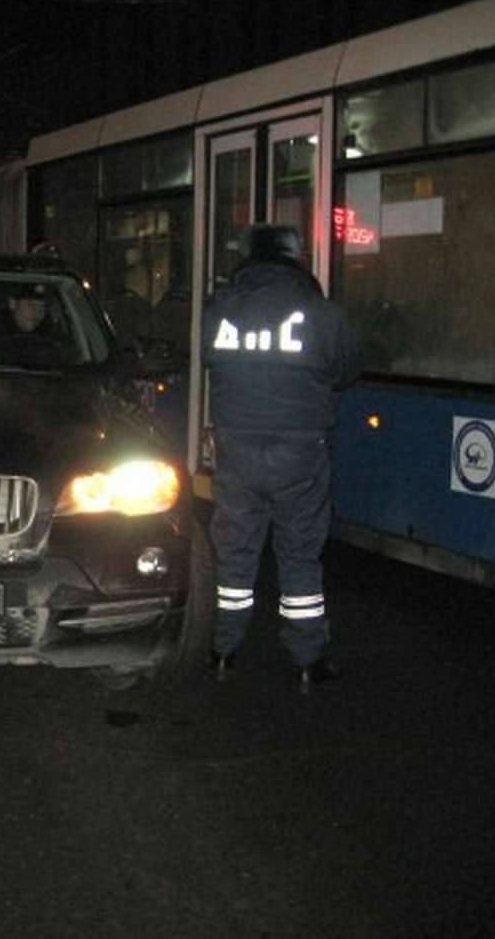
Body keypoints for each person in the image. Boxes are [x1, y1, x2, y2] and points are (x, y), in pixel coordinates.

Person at [201, 224, 359, 693]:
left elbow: (213, 362)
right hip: (299, 451)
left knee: (235, 549)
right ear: (294, 259)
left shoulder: (220, 309)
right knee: (299, 552)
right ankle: (307, 659)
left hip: (237, 448)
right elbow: (347, 369)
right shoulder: (319, 311)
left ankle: (225, 651)